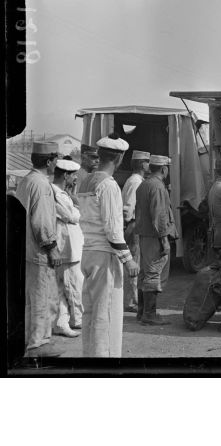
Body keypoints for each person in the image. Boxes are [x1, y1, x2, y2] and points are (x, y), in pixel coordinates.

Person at [78, 134, 139, 357]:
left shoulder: (85, 181)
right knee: (106, 315)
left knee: (90, 312)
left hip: (87, 252)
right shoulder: (109, 185)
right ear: (120, 157)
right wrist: (128, 259)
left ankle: (89, 357)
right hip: (104, 255)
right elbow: (113, 231)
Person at [16, 141, 61, 357]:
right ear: (50, 161)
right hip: (39, 251)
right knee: (42, 297)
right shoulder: (41, 184)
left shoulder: (27, 180)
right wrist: (51, 246)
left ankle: (30, 341)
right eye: (56, 159)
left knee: (32, 299)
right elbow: (42, 222)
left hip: (26, 250)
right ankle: (38, 344)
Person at [134, 155, 178, 325]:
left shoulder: (144, 184)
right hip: (155, 237)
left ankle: (142, 312)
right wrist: (164, 239)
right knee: (153, 273)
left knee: (145, 273)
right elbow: (159, 216)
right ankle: (149, 315)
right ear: (164, 169)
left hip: (145, 236)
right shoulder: (158, 187)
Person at [51, 158, 84, 338]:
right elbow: (73, 216)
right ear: (65, 175)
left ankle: (65, 321)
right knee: (71, 286)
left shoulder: (62, 193)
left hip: (71, 247)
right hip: (66, 249)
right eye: (73, 175)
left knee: (69, 286)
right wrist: (77, 208)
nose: (76, 179)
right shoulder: (56, 194)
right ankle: (73, 320)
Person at [121, 150, 151, 313]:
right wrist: (130, 226)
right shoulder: (136, 182)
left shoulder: (135, 180)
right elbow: (129, 208)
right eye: (147, 162)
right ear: (142, 164)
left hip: (133, 226)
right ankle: (131, 301)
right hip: (133, 226)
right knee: (134, 263)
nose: (149, 165)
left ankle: (131, 299)